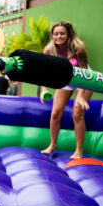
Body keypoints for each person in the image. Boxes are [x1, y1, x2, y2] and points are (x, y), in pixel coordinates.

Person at [40, 21, 92, 159]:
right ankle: (52, 145)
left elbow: (85, 73)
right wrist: (43, 90)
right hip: (66, 79)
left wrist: (80, 95)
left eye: (62, 33)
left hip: (84, 78)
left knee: (77, 114)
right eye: (56, 34)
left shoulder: (78, 48)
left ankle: (78, 151)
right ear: (52, 35)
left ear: (68, 34)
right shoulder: (49, 50)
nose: (59, 36)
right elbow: (42, 72)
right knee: (56, 113)